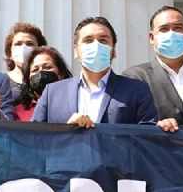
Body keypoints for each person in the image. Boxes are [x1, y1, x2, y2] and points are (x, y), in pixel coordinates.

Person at [30, 16, 160, 127]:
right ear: (76, 51)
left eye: (103, 40)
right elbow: (34, 137)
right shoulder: (52, 93)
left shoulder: (136, 90)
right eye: (88, 40)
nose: (96, 45)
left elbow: (146, 138)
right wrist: (66, 131)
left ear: (114, 50)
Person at [9, 46, 71, 121]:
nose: (41, 72)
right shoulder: (18, 112)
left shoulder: (73, 105)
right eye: (35, 70)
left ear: (61, 74)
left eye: (47, 67)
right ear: (28, 78)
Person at [2, 22, 48, 91]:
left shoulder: (47, 80)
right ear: (10, 52)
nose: (23, 48)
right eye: (18, 44)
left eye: (29, 44)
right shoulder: (1, 82)